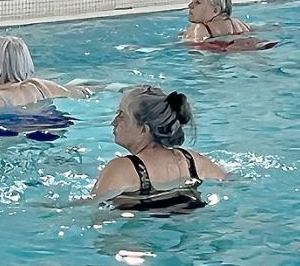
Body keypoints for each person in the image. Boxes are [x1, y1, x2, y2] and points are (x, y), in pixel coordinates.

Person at [90, 86, 229, 212]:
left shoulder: (122, 168)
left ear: (144, 130)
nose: (113, 122)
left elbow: (89, 209)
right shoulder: (193, 162)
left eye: (121, 116)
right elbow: (231, 183)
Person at [180, 0, 273, 51]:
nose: (190, 5)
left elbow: (192, 50)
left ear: (215, 10)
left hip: (233, 51)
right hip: (253, 45)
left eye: (197, 2)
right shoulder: (239, 24)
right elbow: (269, 28)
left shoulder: (199, 29)